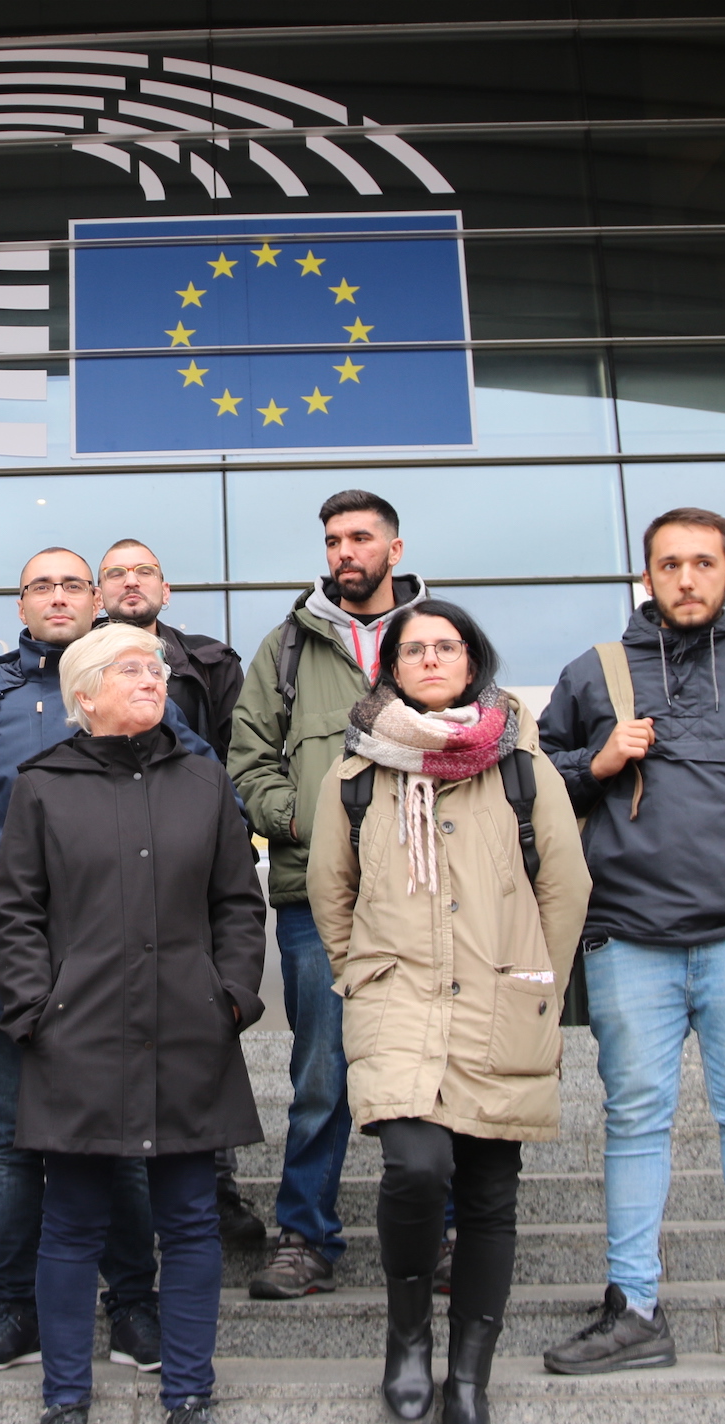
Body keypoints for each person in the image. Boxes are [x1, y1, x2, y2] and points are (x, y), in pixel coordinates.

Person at [539, 508, 725, 1378]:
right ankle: (632, 1308)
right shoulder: (592, 676)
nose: (685, 579)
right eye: (669, 564)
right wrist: (593, 765)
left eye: (703, 563)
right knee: (635, 1123)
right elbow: (527, 798)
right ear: (647, 577)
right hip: (630, 938)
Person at [0, 547, 219, 1373]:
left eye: (74, 583)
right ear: (21, 604)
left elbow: (209, 801)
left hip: (127, 964)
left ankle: (136, 1314)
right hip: (7, 950)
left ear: (98, 598)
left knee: (125, 1142)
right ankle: (17, 1313)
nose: (59, 596)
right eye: (41, 585)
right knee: (14, 1141)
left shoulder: (142, 691)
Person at [307, 600, 589, 1424]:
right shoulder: (356, 772)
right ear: (391, 666)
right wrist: (364, 973)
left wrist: (538, 983)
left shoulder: (523, 763)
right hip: (396, 998)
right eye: (414, 648)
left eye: (447, 646)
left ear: (472, 661)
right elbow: (332, 890)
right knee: (417, 1167)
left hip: (506, 994)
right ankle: (407, 1341)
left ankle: (470, 1372)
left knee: (492, 1190)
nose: (431, 658)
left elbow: (565, 886)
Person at [0, 621, 268, 1424]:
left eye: (157, 669)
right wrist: (33, 1013)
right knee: (72, 1222)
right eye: (132, 669)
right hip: (74, 1038)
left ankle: (189, 1390)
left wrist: (234, 997)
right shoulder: (41, 784)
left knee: (188, 1220)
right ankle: (66, 1398)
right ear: (85, 696)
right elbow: (19, 915)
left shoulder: (204, 780)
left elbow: (237, 904)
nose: (154, 678)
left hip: (191, 1031)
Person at [227, 489, 430, 1299]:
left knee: (430, 1072)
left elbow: (484, 741)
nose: (345, 552)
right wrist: (303, 823)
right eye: (334, 540)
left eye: (361, 538)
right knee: (321, 1075)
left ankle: (439, 1235)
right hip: (320, 900)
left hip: (425, 896)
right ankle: (305, 1237)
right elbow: (248, 759)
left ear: (395, 547)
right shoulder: (284, 647)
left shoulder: (435, 637)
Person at [95, 537, 263, 1249]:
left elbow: (239, 766)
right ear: (99, 593)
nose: (131, 583)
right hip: (102, 873)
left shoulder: (215, 664)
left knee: (199, 1040)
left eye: (145, 572)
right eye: (116, 574)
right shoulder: (76, 664)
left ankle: (213, 1185)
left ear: (167, 590)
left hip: (188, 870)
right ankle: (122, 1201)